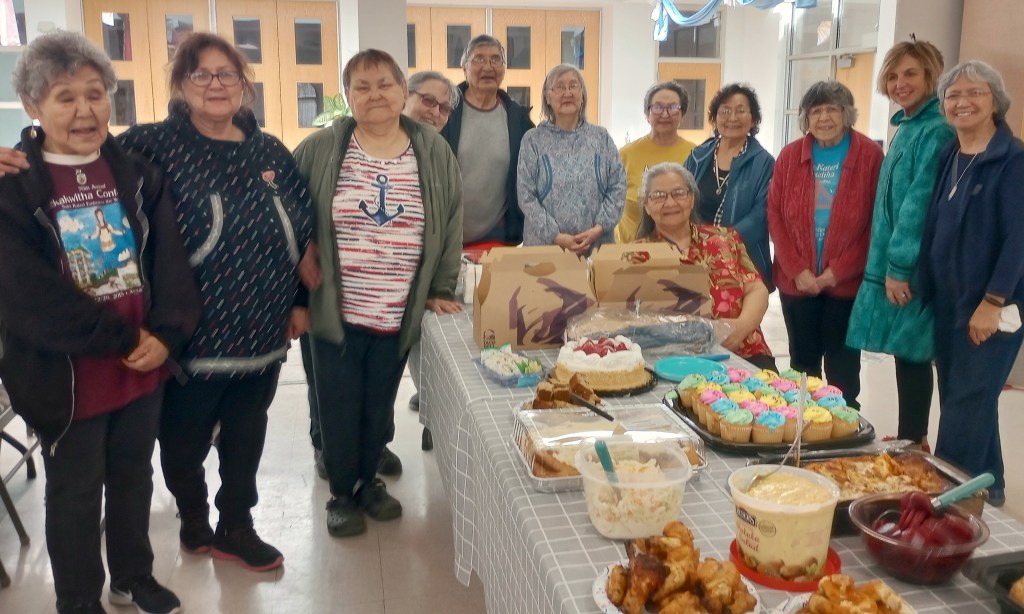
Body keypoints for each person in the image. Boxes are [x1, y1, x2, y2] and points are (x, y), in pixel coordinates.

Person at [0, 31, 200, 614]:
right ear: (34, 108)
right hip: (68, 375)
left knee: (134, 478)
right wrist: (122, 337)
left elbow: (170, 264)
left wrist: (166, 335)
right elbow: (26, 295)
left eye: (95, 93)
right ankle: (79, 600)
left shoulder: (136, 173)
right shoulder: (15, 189)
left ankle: (133, 577)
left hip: (141, 364)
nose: (84, 110)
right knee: (75, 495)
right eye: (64, 97)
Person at [117, 33, 313, 571]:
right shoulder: (149, 144)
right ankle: (194, 517)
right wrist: (31, 153)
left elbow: (302, 228)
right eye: (200, 74)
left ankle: (237, 524)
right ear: (181, 85)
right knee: (182, 442)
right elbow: (84, 167)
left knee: (247, 437)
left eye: (227, 73)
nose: (215, 84)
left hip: (262, 328)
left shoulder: (269, 150)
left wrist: (300, 300)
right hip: (188, 332)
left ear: (244, 85)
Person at [293, 49, 463, 538]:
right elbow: (292, 221)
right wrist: (296, 296)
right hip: (336, 310)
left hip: (397, 309)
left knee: (378, 404)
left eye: (385, 84)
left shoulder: (432, 151)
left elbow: (450, 222)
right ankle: (342, 494)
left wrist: (440, 287)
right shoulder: (320, 149)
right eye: (361, 87)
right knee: (338, 403)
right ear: (347, 96)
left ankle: (369, 482)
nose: (375, 95)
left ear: (403, 91)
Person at [920, 60, 1024, 507]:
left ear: (995, 102)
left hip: (991, 305)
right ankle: (991, 484)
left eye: (974, 93)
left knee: (965, 403)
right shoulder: (952, 153)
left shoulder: (1014, 160)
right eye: (953, 95)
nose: (962, 102)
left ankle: (944, 502)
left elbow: (1019, 238)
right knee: (967, 397)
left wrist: (992, 299)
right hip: (948, 300)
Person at [845, 40, 954, 450]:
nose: (900, 82)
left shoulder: (936, 130)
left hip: (905, 266)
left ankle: (914, 439)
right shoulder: (908, 127)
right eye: (892, 75)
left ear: (930, 76)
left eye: (910, 73)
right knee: (903, 352)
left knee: (911, 353)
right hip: (888, 260)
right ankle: (913, 436)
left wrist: (899, 266)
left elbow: (918, 205)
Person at [767, 81, 883, 406]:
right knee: (802, 363)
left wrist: (838, 272)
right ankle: (805, 428)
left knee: (843, 366)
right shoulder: (790, 156)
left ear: (847, 114)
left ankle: (845, 428)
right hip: (797, 282)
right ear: (805, 118)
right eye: (815, 111)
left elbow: (876, 222)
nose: (824, 117)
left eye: (832, 109)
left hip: (846, 283)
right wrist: (796, 269)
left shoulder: (870, 155)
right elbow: (775, 214)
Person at [635, 162, 775, 369]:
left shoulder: (724, 238)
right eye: (658, 196)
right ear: (646, 205)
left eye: (679, 193)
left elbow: (756, 289)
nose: (670, 202)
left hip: (745, 351)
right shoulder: (636, 255)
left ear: (692, 198)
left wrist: (741, 327)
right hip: (673, 359)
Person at [517, 63, 625, 254]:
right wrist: (556, 236)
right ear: (547, 98)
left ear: (582, 95)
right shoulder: (533, 140)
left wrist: (598, 229)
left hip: (597, 245)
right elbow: (526, 196)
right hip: (545, 247)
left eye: (573, 86)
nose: (567, 93)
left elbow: (618, 186)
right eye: (559, 87)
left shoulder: (601, 137)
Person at [440, 34, 534, 249]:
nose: (488, 66)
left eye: (495, 59)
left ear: (504, 68)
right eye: (479, 59)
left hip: (497, 233)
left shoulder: (518, 120)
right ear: (464, 68)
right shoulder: (444, 113)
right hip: (446, 233)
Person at [684, 84, 775, 288]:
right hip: (695, 257)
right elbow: (681, 197)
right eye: (725, 111)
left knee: (738, 318)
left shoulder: (763, 162)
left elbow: (760, 215)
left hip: (743, 259)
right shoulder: (698, 156)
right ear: (715, 117)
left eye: (740, 111)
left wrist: (721, 243)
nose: (732, 118)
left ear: (753, 120)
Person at [614, 81, 697, 243]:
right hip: (630, 252)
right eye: (658, 107)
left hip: (683, 254)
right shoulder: (624, 155)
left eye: (673, 108)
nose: (665, 114)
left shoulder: (696, 154)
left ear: (682, 114)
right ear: (647, 113)